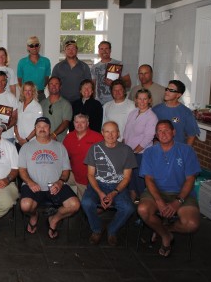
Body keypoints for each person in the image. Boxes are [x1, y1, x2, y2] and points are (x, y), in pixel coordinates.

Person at [138, 120, 201, 257]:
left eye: (166, 130)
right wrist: (159, 201)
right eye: (159, 131)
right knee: (143, 209)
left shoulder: (187, 150)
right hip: (156, 192)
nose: (163, 133)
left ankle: (164, 228)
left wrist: (178, 201)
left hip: (182, 193)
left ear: (174, 132)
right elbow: (148, 179)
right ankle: (166, 236)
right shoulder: (149, 152)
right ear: (156, 134)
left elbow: (190, 179)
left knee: (191, 224)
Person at [19, 117, 80, 239]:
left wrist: (60, 182)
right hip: (33, 185)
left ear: (49, 129)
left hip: (55, 185)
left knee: (74, 205)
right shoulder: (26, 147)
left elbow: (66, 170)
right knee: (25, 205)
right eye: (39, 126)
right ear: (35, 129)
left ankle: (54, 219)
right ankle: (34, 215)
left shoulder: (60, 147)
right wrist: (30, 183)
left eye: (45, 126)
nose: (42, 129)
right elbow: (22, 170)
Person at [81, 121, 137, 246]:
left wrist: (113, 193)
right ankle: (96, 229)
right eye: (107, 131)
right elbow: (90, 174)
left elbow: (127, 177)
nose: (110, 135)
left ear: (118, 133)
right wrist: (100, 193)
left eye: (113, 131)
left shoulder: (127, 150)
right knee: (86, 202)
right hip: (98, 184)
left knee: (128, 208)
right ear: (102, 133)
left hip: (118, 186)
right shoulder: (94, 148)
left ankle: (112, 230)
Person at [123, 89, 158, 201]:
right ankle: (133, 207)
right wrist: (124, 148)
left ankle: (144, 206)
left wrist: (134, 152)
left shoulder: (151, 116)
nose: (142, 101)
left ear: (149, 100)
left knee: (140, 182)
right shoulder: (133, 113)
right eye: (139, 98)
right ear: (136, 100)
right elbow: (126, 131)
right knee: (130, 180)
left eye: (145, 99)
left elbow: (148, 138)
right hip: (129, 153)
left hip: (141, 154)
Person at [63, 114, 104, 199]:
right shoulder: (69, 137)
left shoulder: (97, 137)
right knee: (53, 177)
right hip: (73, 173)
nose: (79, 125)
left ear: (87, 123)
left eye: (83, 122)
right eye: (77, 122)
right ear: (73, 123)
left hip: (88, 177)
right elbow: (63, 156)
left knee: (85, 205)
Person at [152, 80, 200, 145]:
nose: (167, 92)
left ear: (178, 95)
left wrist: (185, 152)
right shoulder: (156, 109)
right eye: (167, 89)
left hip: (178, 151)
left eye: (171, 90)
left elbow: (191, 135)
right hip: (158, 149)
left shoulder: (186, 112)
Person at [51, 40, 91, 104]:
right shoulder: (58, 67)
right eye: (68, 49)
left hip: (80, 102)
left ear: (77, 50)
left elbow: (89, 86)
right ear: (65, 51)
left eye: (73, 48)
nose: (71, 51)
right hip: (62, 102)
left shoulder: (84, 67)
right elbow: (53, 85)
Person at [17, 36, 51, 101]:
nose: (34, 47)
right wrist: (28, 90)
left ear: (39, 46)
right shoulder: (22, 62)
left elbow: (47, 79)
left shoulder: (46, 61)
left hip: (40, 94)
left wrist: (38, 89)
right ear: (28, 47)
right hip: (25, 95)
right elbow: (20, 81)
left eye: (36, 45)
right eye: (31, 46)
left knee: (42, 111)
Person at [40, 76, 72, 142]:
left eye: (56, 84)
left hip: (60, 141)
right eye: (51, 84)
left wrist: (54, 135)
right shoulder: (42, 104)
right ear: (48, 86)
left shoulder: (66, 104)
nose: (53, 86)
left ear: (60, 86)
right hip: (44, 141)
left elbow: (65, 122)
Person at [14, 81, 43, 150]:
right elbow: (15, 123)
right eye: (25, 90)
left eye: (30, 90)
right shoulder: (19, 105)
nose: (27, 92)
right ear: (22, 92)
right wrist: (18, 137)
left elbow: (38, 126)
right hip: (18, 141)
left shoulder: (37, 107)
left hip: (31, 142)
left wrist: (26, 139)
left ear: (33, 92)